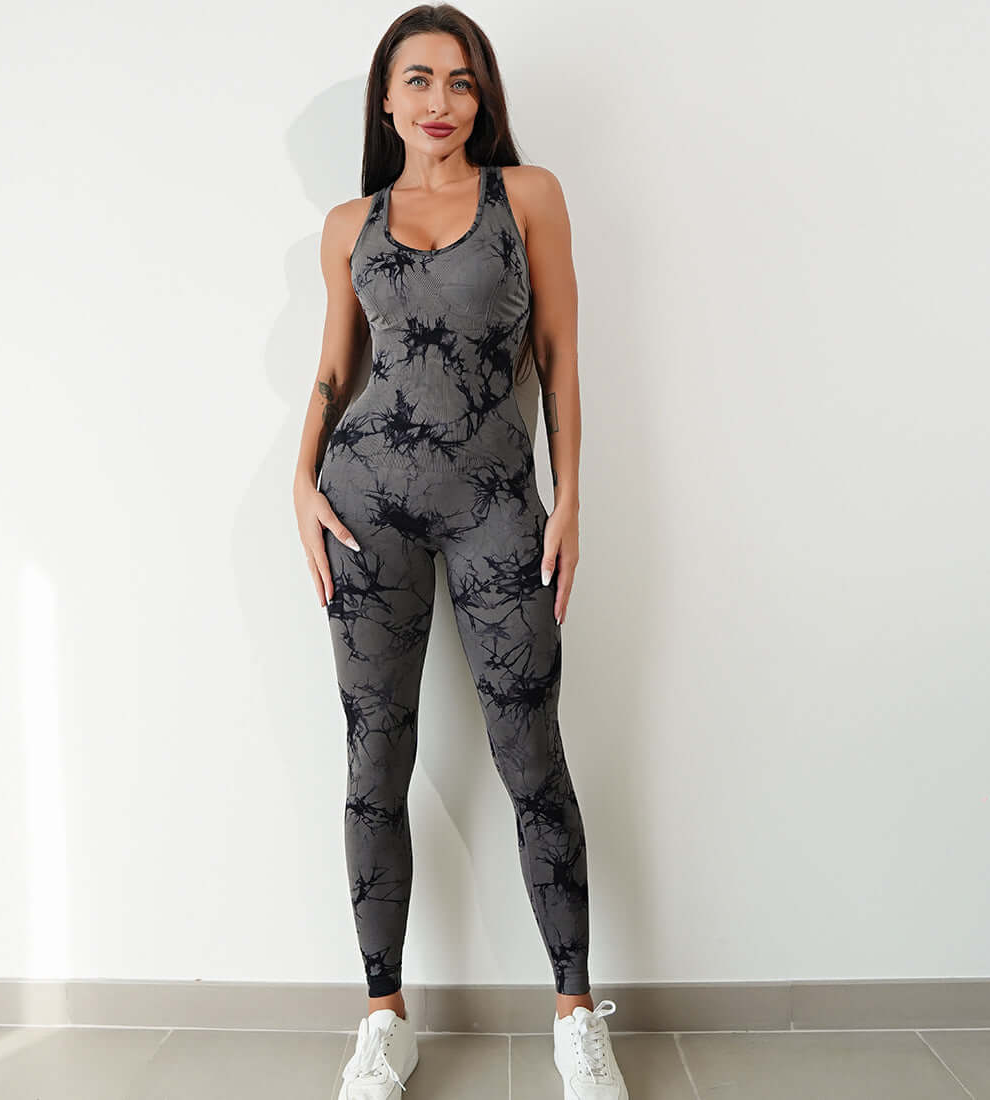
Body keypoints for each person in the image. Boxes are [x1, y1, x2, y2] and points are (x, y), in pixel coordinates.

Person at [293, 7, 628, 1099]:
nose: (439, 100)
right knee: (372, 762)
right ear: (385, 102)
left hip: (495, 507)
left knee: (529, 752)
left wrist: (569, 492)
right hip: (364, 508)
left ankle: (576, 1014)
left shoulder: (526, 198)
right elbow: (334, 368)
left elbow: (562, 353)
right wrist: (301, 479)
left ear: (480, 99)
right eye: (418, 80)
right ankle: (383, 1016)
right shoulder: (350, 223)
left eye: (461, 81)